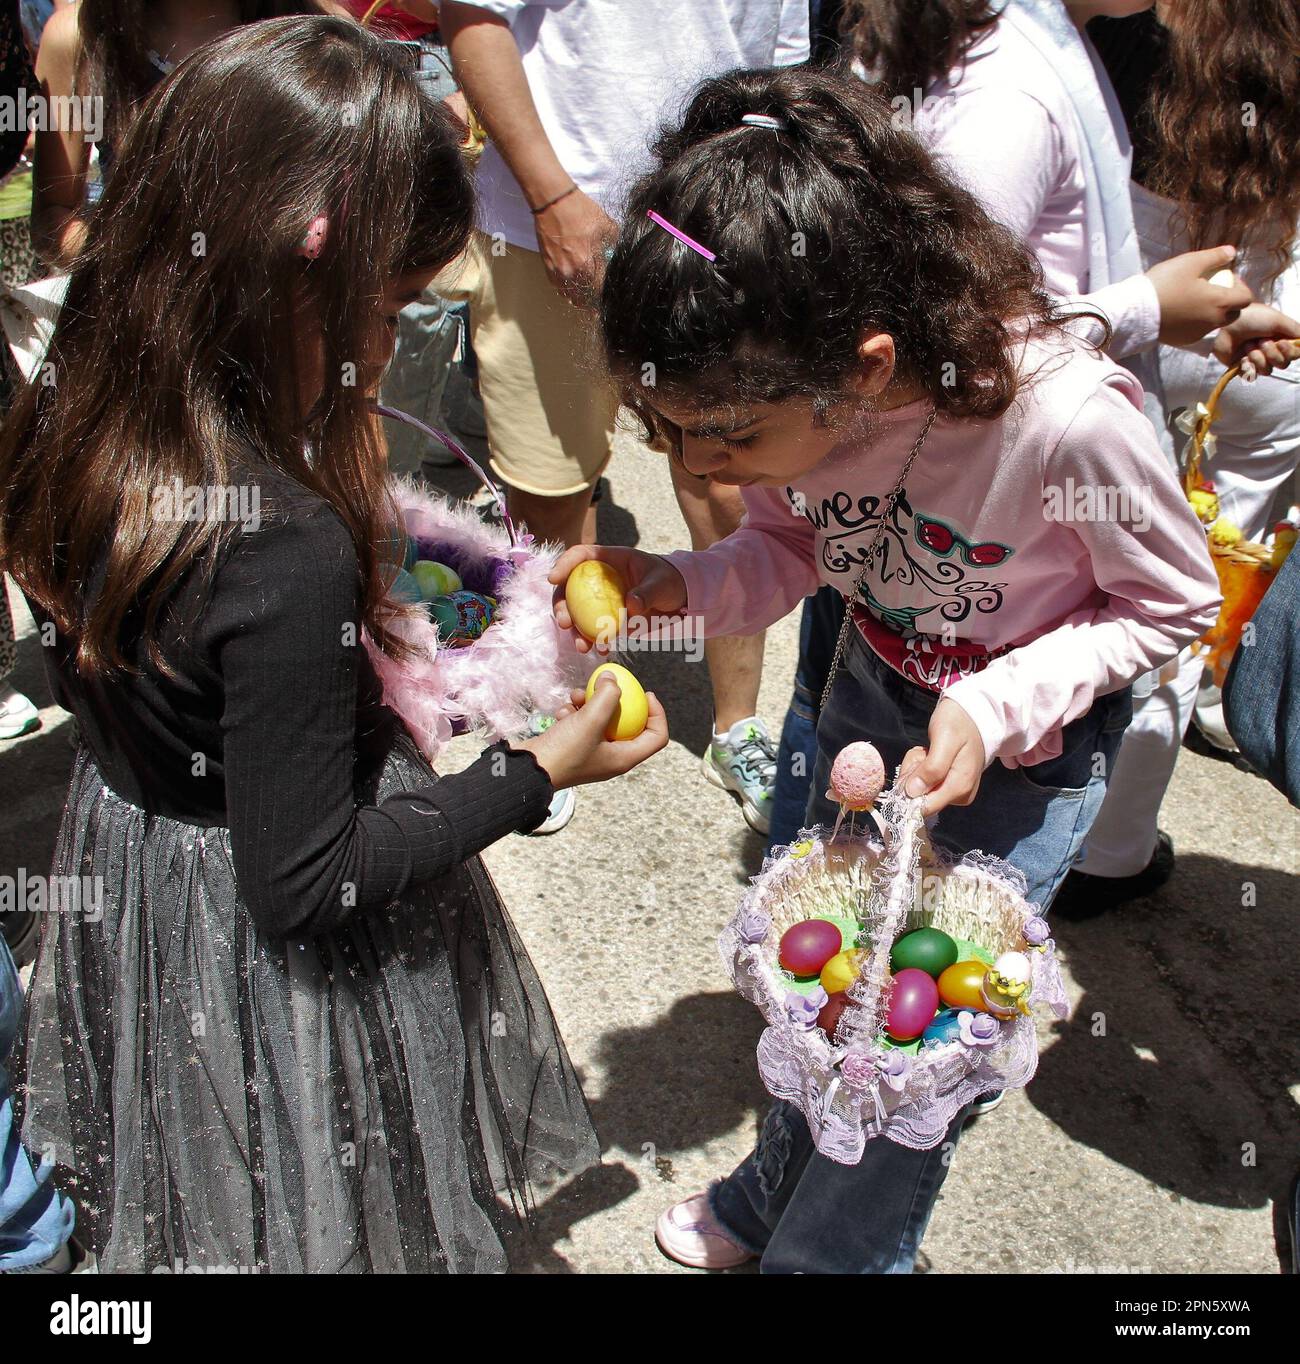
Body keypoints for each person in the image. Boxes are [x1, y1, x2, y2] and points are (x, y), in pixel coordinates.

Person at [1, 16, 667, 1271]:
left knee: (204, 1161)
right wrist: (533, 775)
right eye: (390, 303)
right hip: (266, 940)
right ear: (303, 277)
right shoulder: (281, 547)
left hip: (135, 854)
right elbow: (305, 883)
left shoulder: (74, 390)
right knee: (313, 1183)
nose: (385, 344)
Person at [550, 64, 1220, 1272]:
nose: (700, 467)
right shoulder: (814, 401)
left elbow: (1172, 603)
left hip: (1019, 755)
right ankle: (770, 1197)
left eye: (727, 435)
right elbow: (800, 543)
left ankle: (837, 1254)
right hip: (869, 698)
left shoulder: (1062, 423)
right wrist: (679, 584)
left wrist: (994, 697)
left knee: (913, 1048)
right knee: (823, 999)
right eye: (672, 437)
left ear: (863, 367)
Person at [437, 0, 810, 836]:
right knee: (549, 492)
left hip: (708, 243)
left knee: (732, 489)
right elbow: (472, 15)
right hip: (549, 229)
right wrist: (551, 194)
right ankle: (559, 715)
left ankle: (737, 726)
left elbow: (773, 75)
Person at [1058, 0, 1300, 911]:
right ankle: (1114, 849)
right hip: (1274, 325)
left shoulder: (1131, 30)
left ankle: (1051, 818)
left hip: (1142, 311)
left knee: (1096, 581)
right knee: (1188, 607)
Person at [31, 0, 322, 268]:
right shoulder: (81, 36)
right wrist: (149, 263)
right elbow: (53, 219)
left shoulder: (318, 27)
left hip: (285, 312)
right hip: (151, 313)